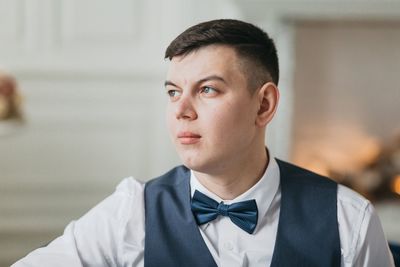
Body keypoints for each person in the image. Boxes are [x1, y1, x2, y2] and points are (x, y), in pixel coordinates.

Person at [13, 19, 395, 267]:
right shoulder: (131, 212)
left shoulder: (349, 219)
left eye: (207, 89)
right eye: (173, 92)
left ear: (263, 104)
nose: (181, 110)